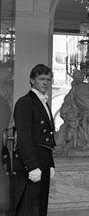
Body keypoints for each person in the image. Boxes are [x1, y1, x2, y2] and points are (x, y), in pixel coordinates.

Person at [12, 64, 56, 216]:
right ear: (32, 80)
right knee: (29, 208)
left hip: (42, 160)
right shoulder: (25, 102)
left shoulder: (43, 102)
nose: (46, 83)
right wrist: (32, 166)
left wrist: (50, 164)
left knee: (40, 205)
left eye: (49, 79)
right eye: (41, 79)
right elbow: (24, 136)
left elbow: (48, 137)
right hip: (31, 161)